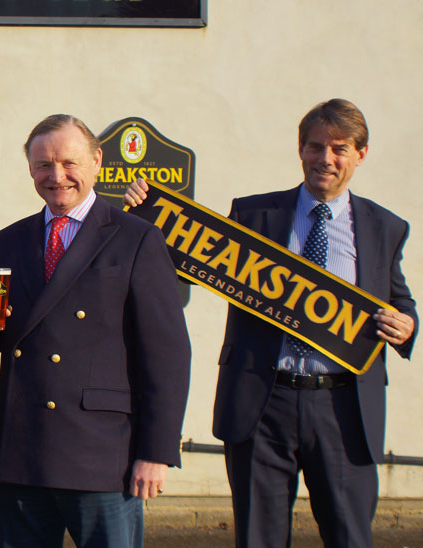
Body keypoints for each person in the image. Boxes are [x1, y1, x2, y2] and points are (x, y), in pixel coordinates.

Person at [124, 98, 417, 547]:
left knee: (350, 536)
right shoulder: (255, 214)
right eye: (316, 147)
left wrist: (407, 326)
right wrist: (146, 216)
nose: (326, 159)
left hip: (344, 408)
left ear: (361, 153)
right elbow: (191, 260)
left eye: (339, 148)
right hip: (263, 402)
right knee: (258, 538)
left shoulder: (384, 226)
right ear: (300, 150)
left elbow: (399, 300)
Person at [0, 114, 191, 548]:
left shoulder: (135, 238)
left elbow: (167, 354)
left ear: (97, 161)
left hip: (102, 456)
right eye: (44, 165)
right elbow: (2, 336)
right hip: (22, 449)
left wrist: (157, 451)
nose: (57, 176)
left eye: (69, 162)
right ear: (30, 169)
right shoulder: (9, 240)